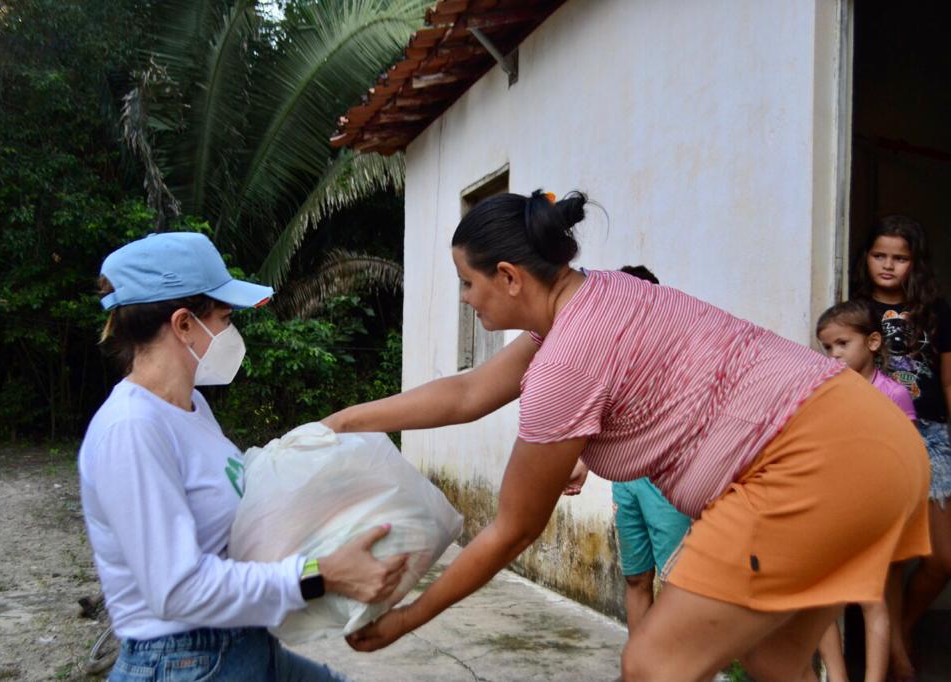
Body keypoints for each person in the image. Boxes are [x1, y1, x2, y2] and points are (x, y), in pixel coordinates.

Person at [324, 190, 930, 682]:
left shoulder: (566, 360)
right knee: (776, 660)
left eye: (467, 282)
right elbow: (467, 393)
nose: (465, 297)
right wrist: (343, 422)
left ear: (508, 277)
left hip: (810, 461)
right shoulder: (602, 294)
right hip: (880, 441)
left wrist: (410, 617)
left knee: (651, 666)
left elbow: (514, 529)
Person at [79, 232, 408, 682]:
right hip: (184, 661)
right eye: (225, 317)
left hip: (239, 645)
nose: (231, 332)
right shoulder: (132, 430)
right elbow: (178, 590)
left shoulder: (192, 409)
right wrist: (321, 575)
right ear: (183, 324)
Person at [853, 215, 951, 680]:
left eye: (900, 258)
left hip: (933, 434)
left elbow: (948, 380)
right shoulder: (855, 311)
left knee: (942, 557)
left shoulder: (938, 312)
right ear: (866, 258)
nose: (888, 266)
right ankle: (894, 653)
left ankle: (905, 626)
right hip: (877, 435)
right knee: (890, 556)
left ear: (915, 263)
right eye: (880, 256)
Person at [569, 265, 692, 635]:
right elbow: (600, 418)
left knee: (679, 584)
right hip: (626, 481)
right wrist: (581, 463)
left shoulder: (677, 353)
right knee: (637, 578)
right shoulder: (609, 358)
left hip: (669, 483)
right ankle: (640, 667)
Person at [815, 299, 916, 682]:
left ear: (873, 342)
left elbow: (905, 455)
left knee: (871, 601)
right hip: (829, 508)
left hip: (873, 510)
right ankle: (837, 678)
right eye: (828, 347)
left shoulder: (894, 394)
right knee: (824, 601)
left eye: (842, 343)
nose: (834, 354)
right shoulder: (825, 391)